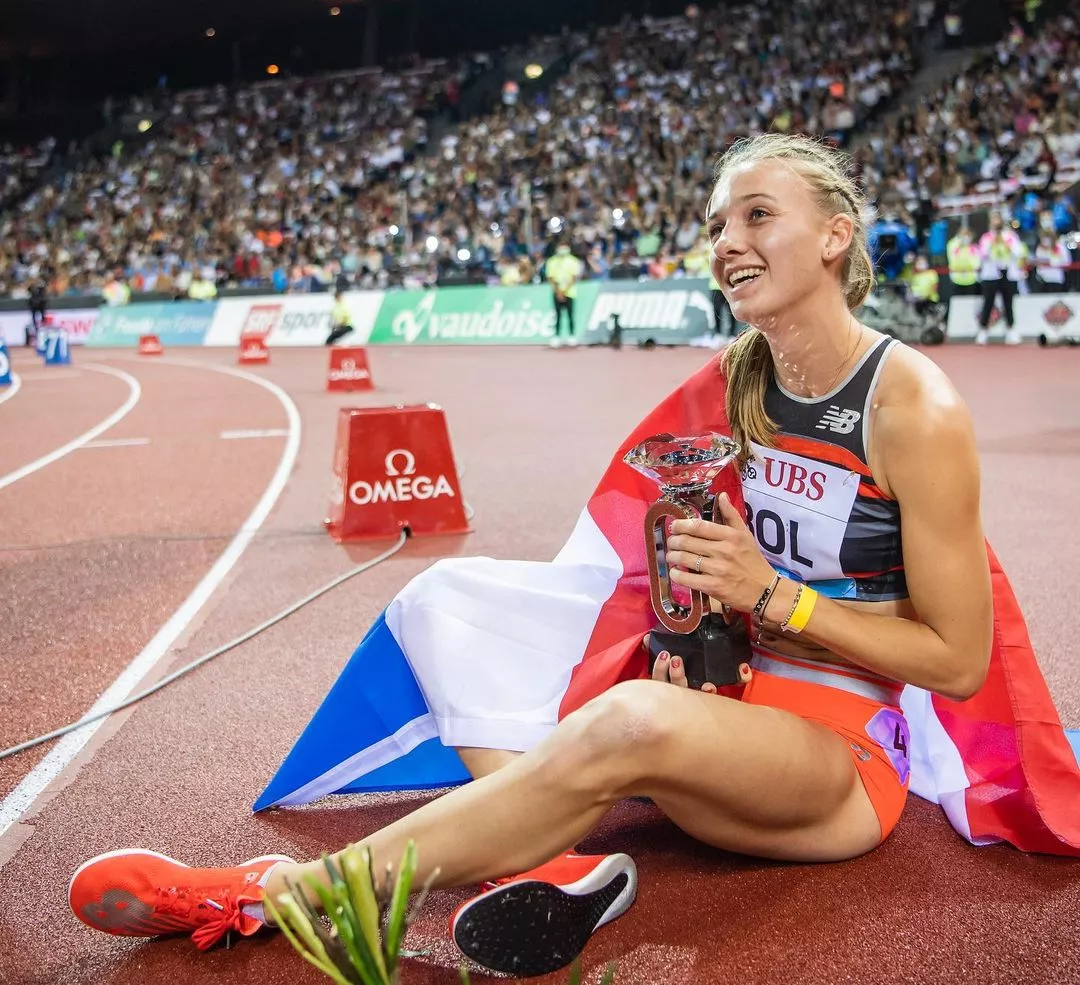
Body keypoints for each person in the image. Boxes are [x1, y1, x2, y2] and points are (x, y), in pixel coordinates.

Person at [68, 134, 996, 977]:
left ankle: (285, 891)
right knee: (453, 599)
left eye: (758, 215)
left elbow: (958, 662)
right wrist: (699, 603)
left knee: (627, 720)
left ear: (835, 236)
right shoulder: (738, 375)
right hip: (725, 698)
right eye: (716, 222)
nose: (726, 241)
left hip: (838, 758)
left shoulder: (911, 406)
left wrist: (777, 597)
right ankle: (566, 866)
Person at [975, 213, 1027, 345]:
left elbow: (1019, 252)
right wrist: (993, 242)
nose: (996, 223)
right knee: (988, 303)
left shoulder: (1010, 236)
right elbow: (982, 255)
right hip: (990, 275)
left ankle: (1010, 330)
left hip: (1008, 274)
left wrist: (1006, 243)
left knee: (1008, 303)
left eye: (998, 220)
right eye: (994, 220)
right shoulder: (986, 237)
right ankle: (983, 330)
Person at [545, 241, 584, 348]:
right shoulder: (552, 261)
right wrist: (558, 291)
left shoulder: (573, 261)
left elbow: (574, 277)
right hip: (557, 292)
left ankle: (572, 335)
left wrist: (565, 290)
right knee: (557, 315)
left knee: (570, 315)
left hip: (570, 292)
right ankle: (556, 336)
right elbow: (550, 277)